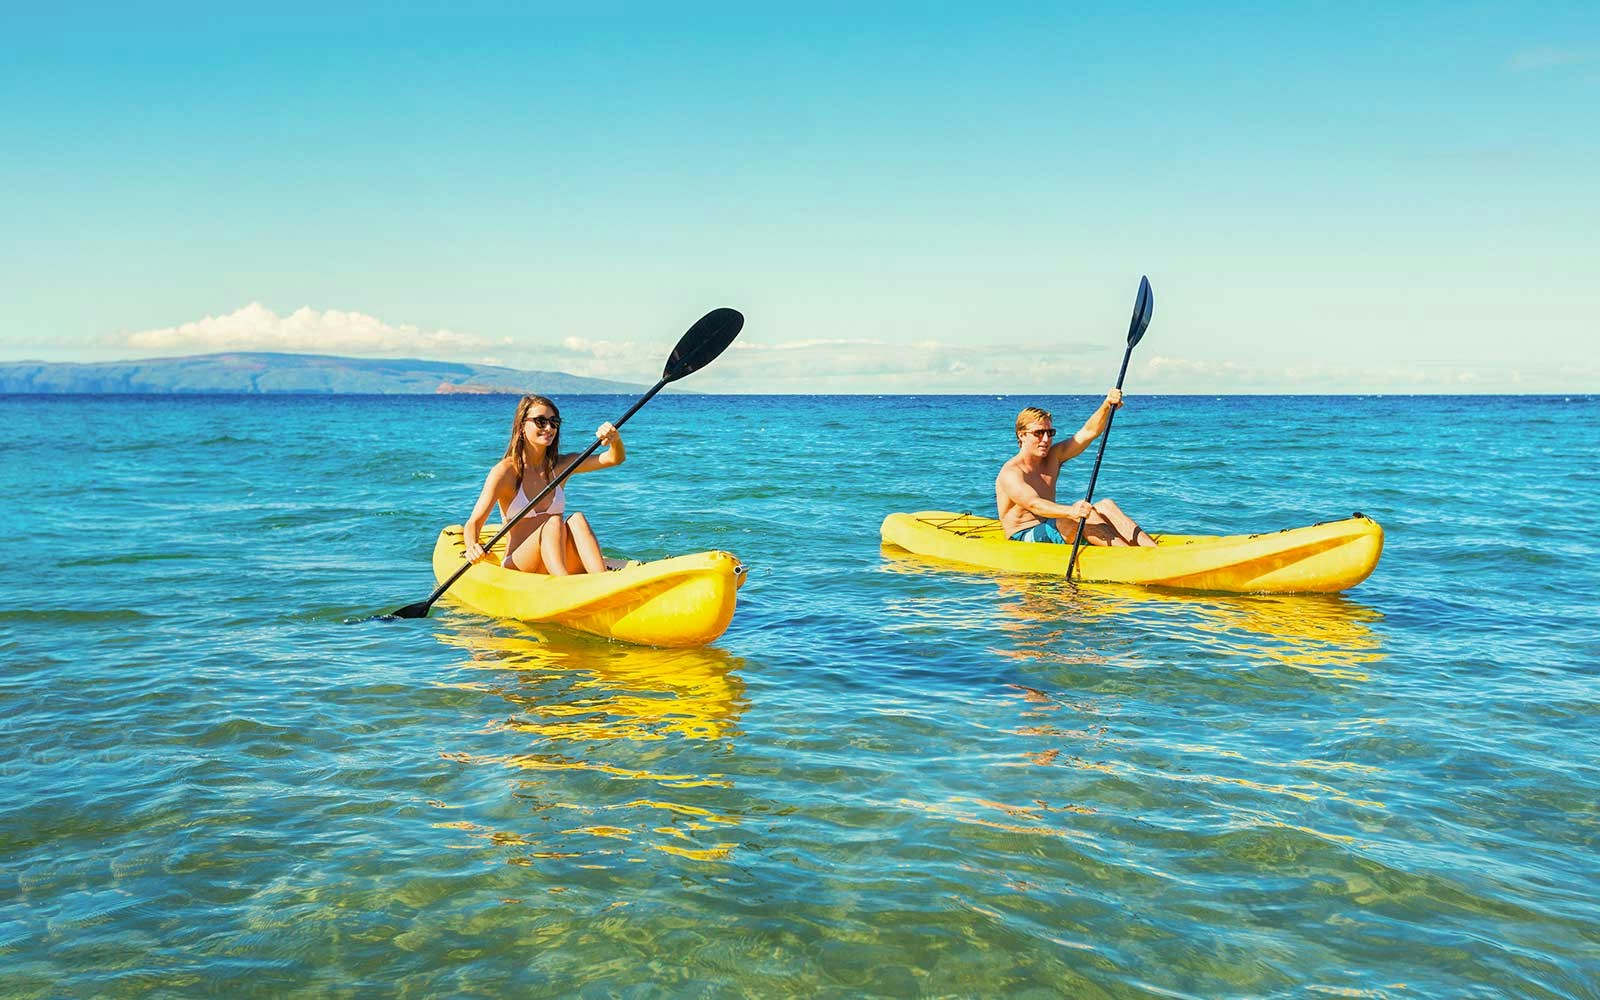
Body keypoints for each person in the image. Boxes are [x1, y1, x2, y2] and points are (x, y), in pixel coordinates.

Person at [462, 394, 624, 575]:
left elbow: (613, 459)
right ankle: (564, 587)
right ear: (522, 426)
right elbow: (473, 523)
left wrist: (614, 440)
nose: (549, 428)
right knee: (554, 522)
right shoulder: (505, 472)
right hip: (520, 564)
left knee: (577, 519)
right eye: (540, 421)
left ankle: (601, 579)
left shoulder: (561, 465)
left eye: (554, 422)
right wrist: (472, 547)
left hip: (557, 559)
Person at [996, 390, 1157, 547]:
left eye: (1050, 432)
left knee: (1105, 506)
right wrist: (1071, 511)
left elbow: (1088, 432)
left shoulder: (1053, 457)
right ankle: (1127, 557)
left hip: (1052, 527)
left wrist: (1106, 405)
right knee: (1076, 517)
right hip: (1023, 537)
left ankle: (1153, 552)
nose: (1045, 439)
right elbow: (1033, 504)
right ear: (1021, 435)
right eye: (1038, 433)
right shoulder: (1011, 472)